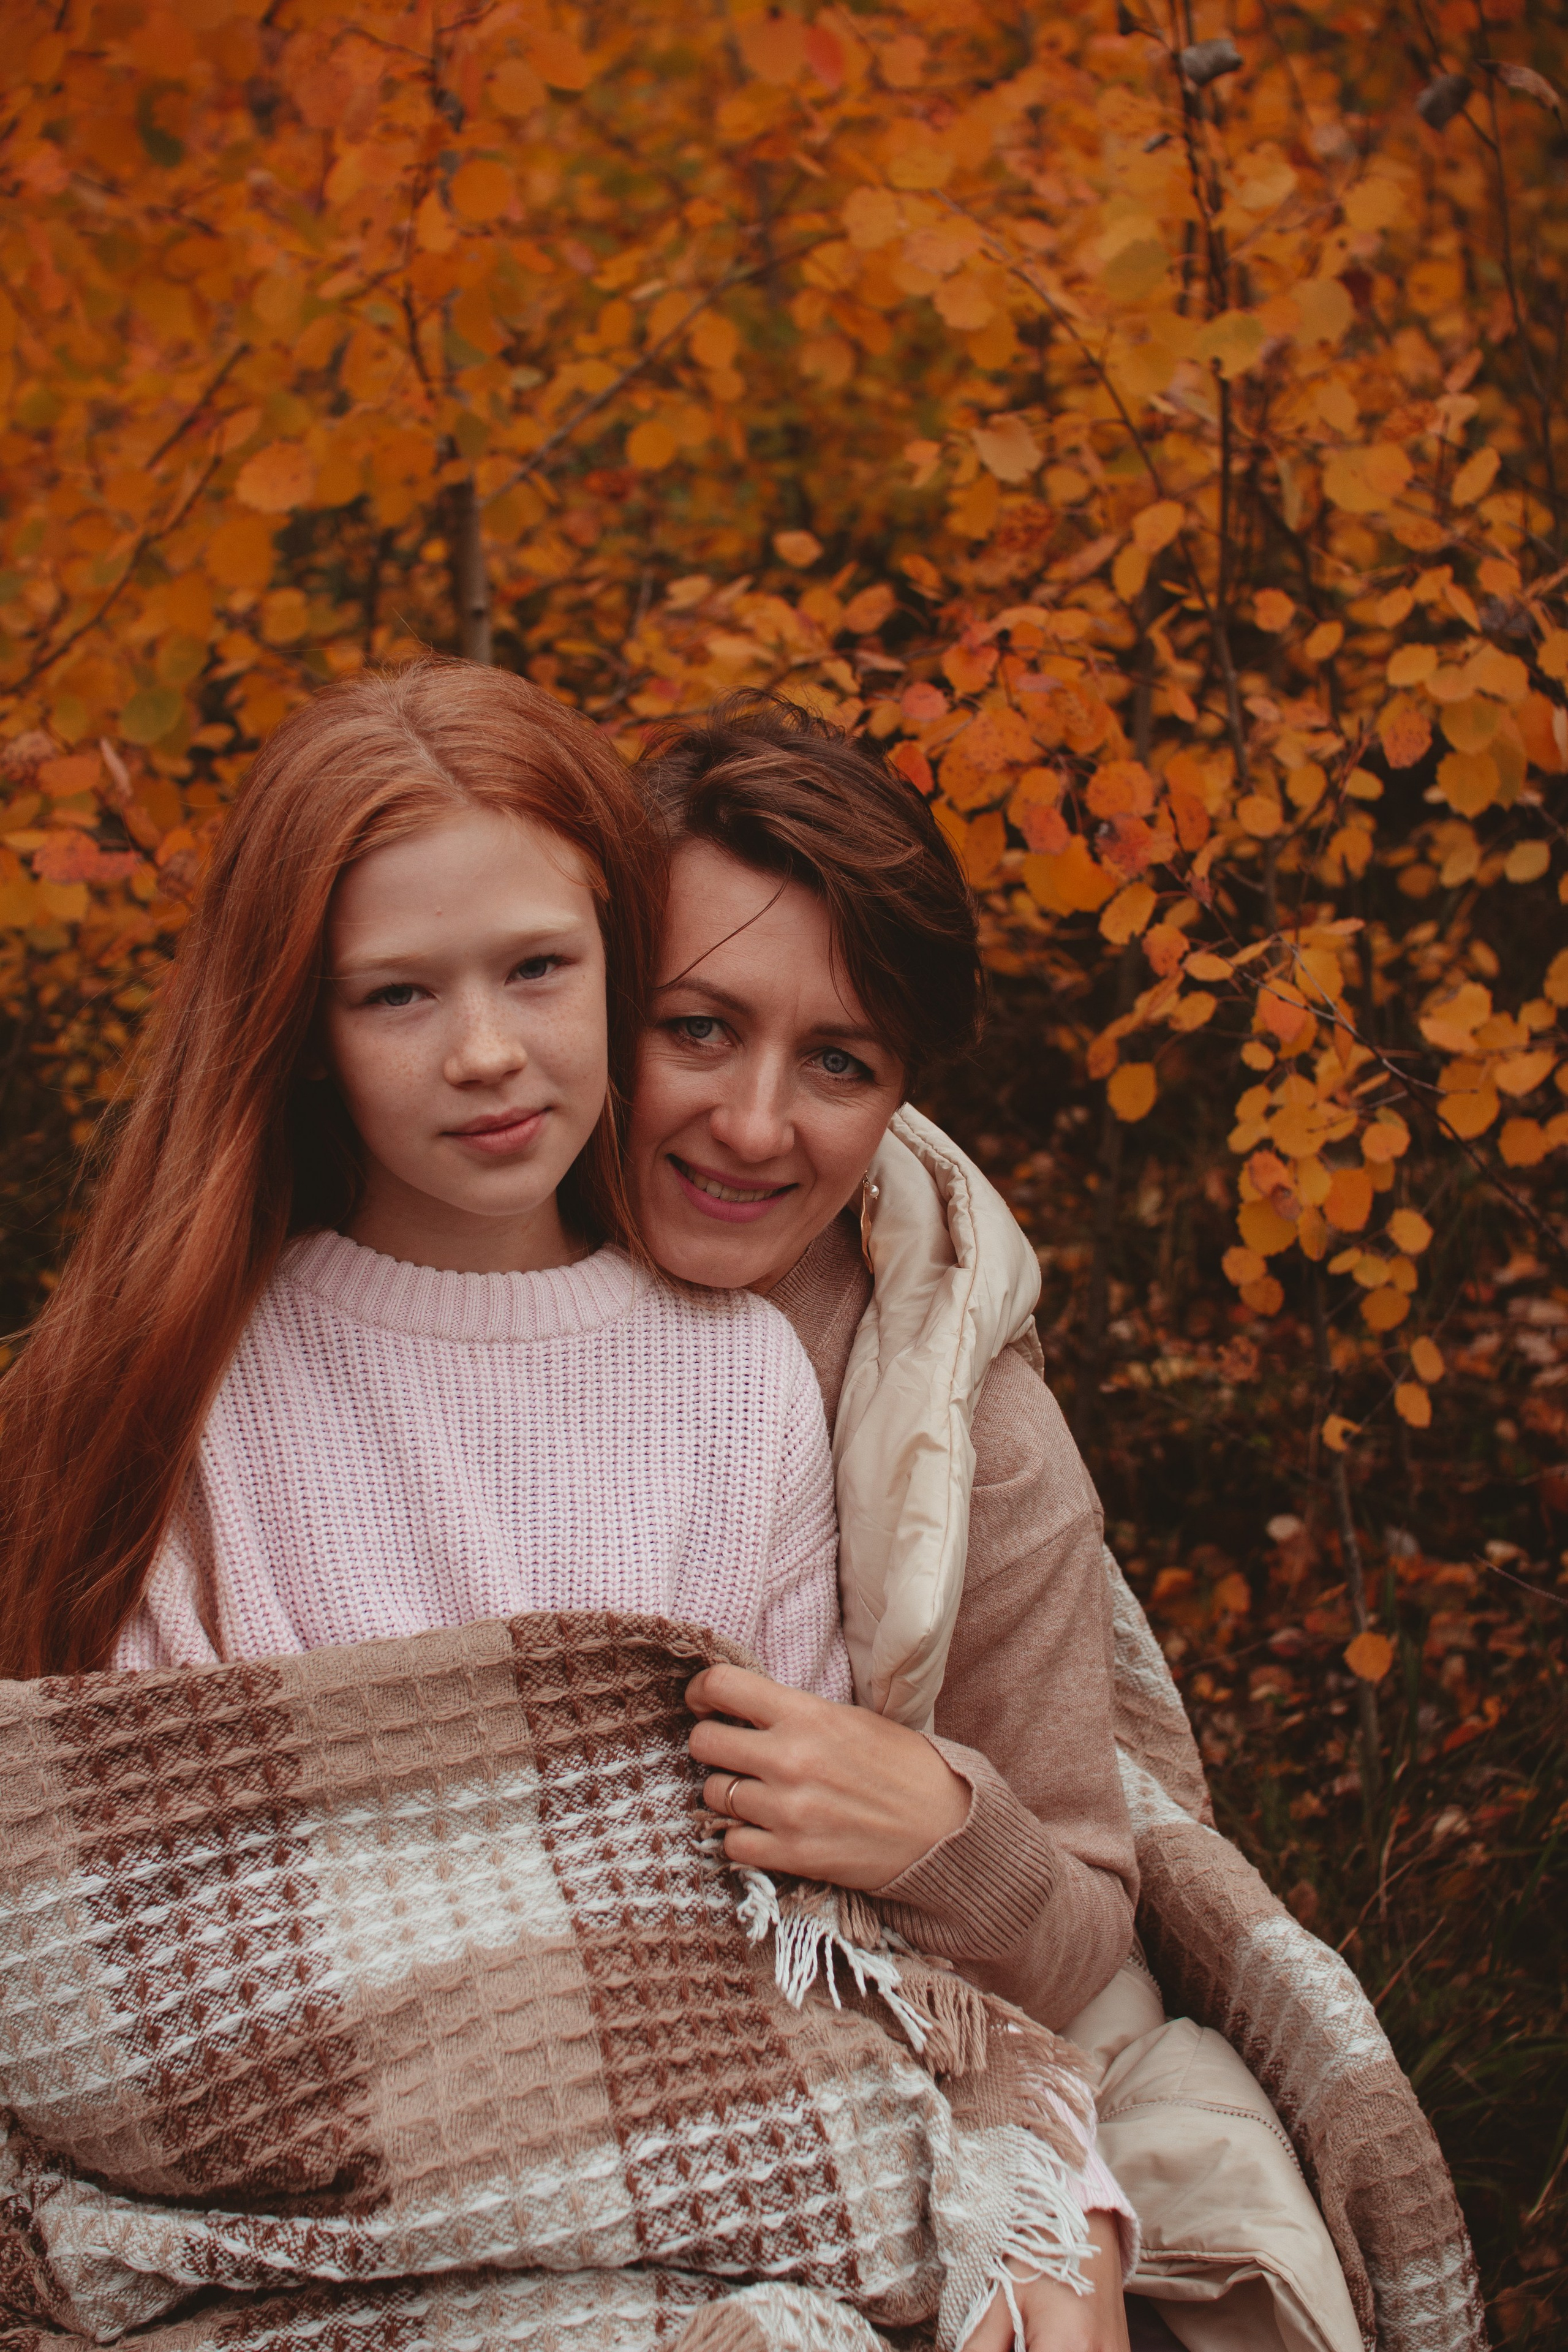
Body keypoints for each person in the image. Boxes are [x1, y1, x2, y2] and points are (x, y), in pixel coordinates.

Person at [0, 660, 1131, 2352]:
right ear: (301, 1023)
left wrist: (932, 1833)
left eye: (537, 971)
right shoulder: (197, 1383)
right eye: (394, 996)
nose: (482, 1051)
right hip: (312, 2160)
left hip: (687, 2130)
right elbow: (167, 1876)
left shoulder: (780, 1385)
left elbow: (782, 1909)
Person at [628, 696, 1480, 2352]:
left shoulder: (966, 1430)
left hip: (866, 2056)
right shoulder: (430, 1266)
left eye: (839, 1062)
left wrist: (942, 1823)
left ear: (901, 1093)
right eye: (697, 1028)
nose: (752, 1124)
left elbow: (1090, 1917)